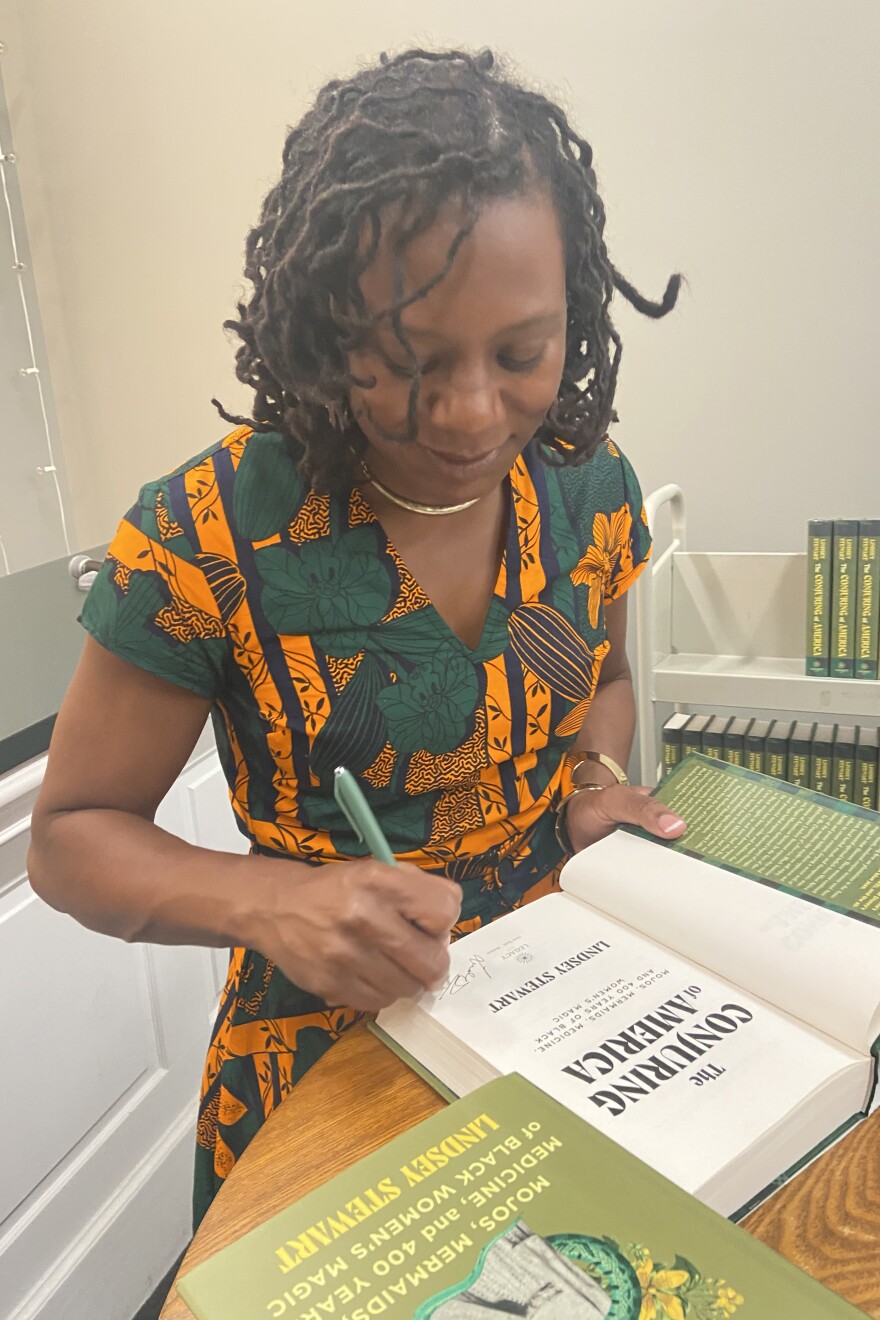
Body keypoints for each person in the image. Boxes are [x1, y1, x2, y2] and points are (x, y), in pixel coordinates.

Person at [27, 47, 687, 1229]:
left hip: (565, 1006)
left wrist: (586, 776)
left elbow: (609, 683)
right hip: (328, 1059)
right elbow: (73, 841)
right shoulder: (203, 532)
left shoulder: (592, 488)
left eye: (521, 354)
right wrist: (270, 901)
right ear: (327, 331)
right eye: (407, 362)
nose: (472, 413)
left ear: (572, 321)